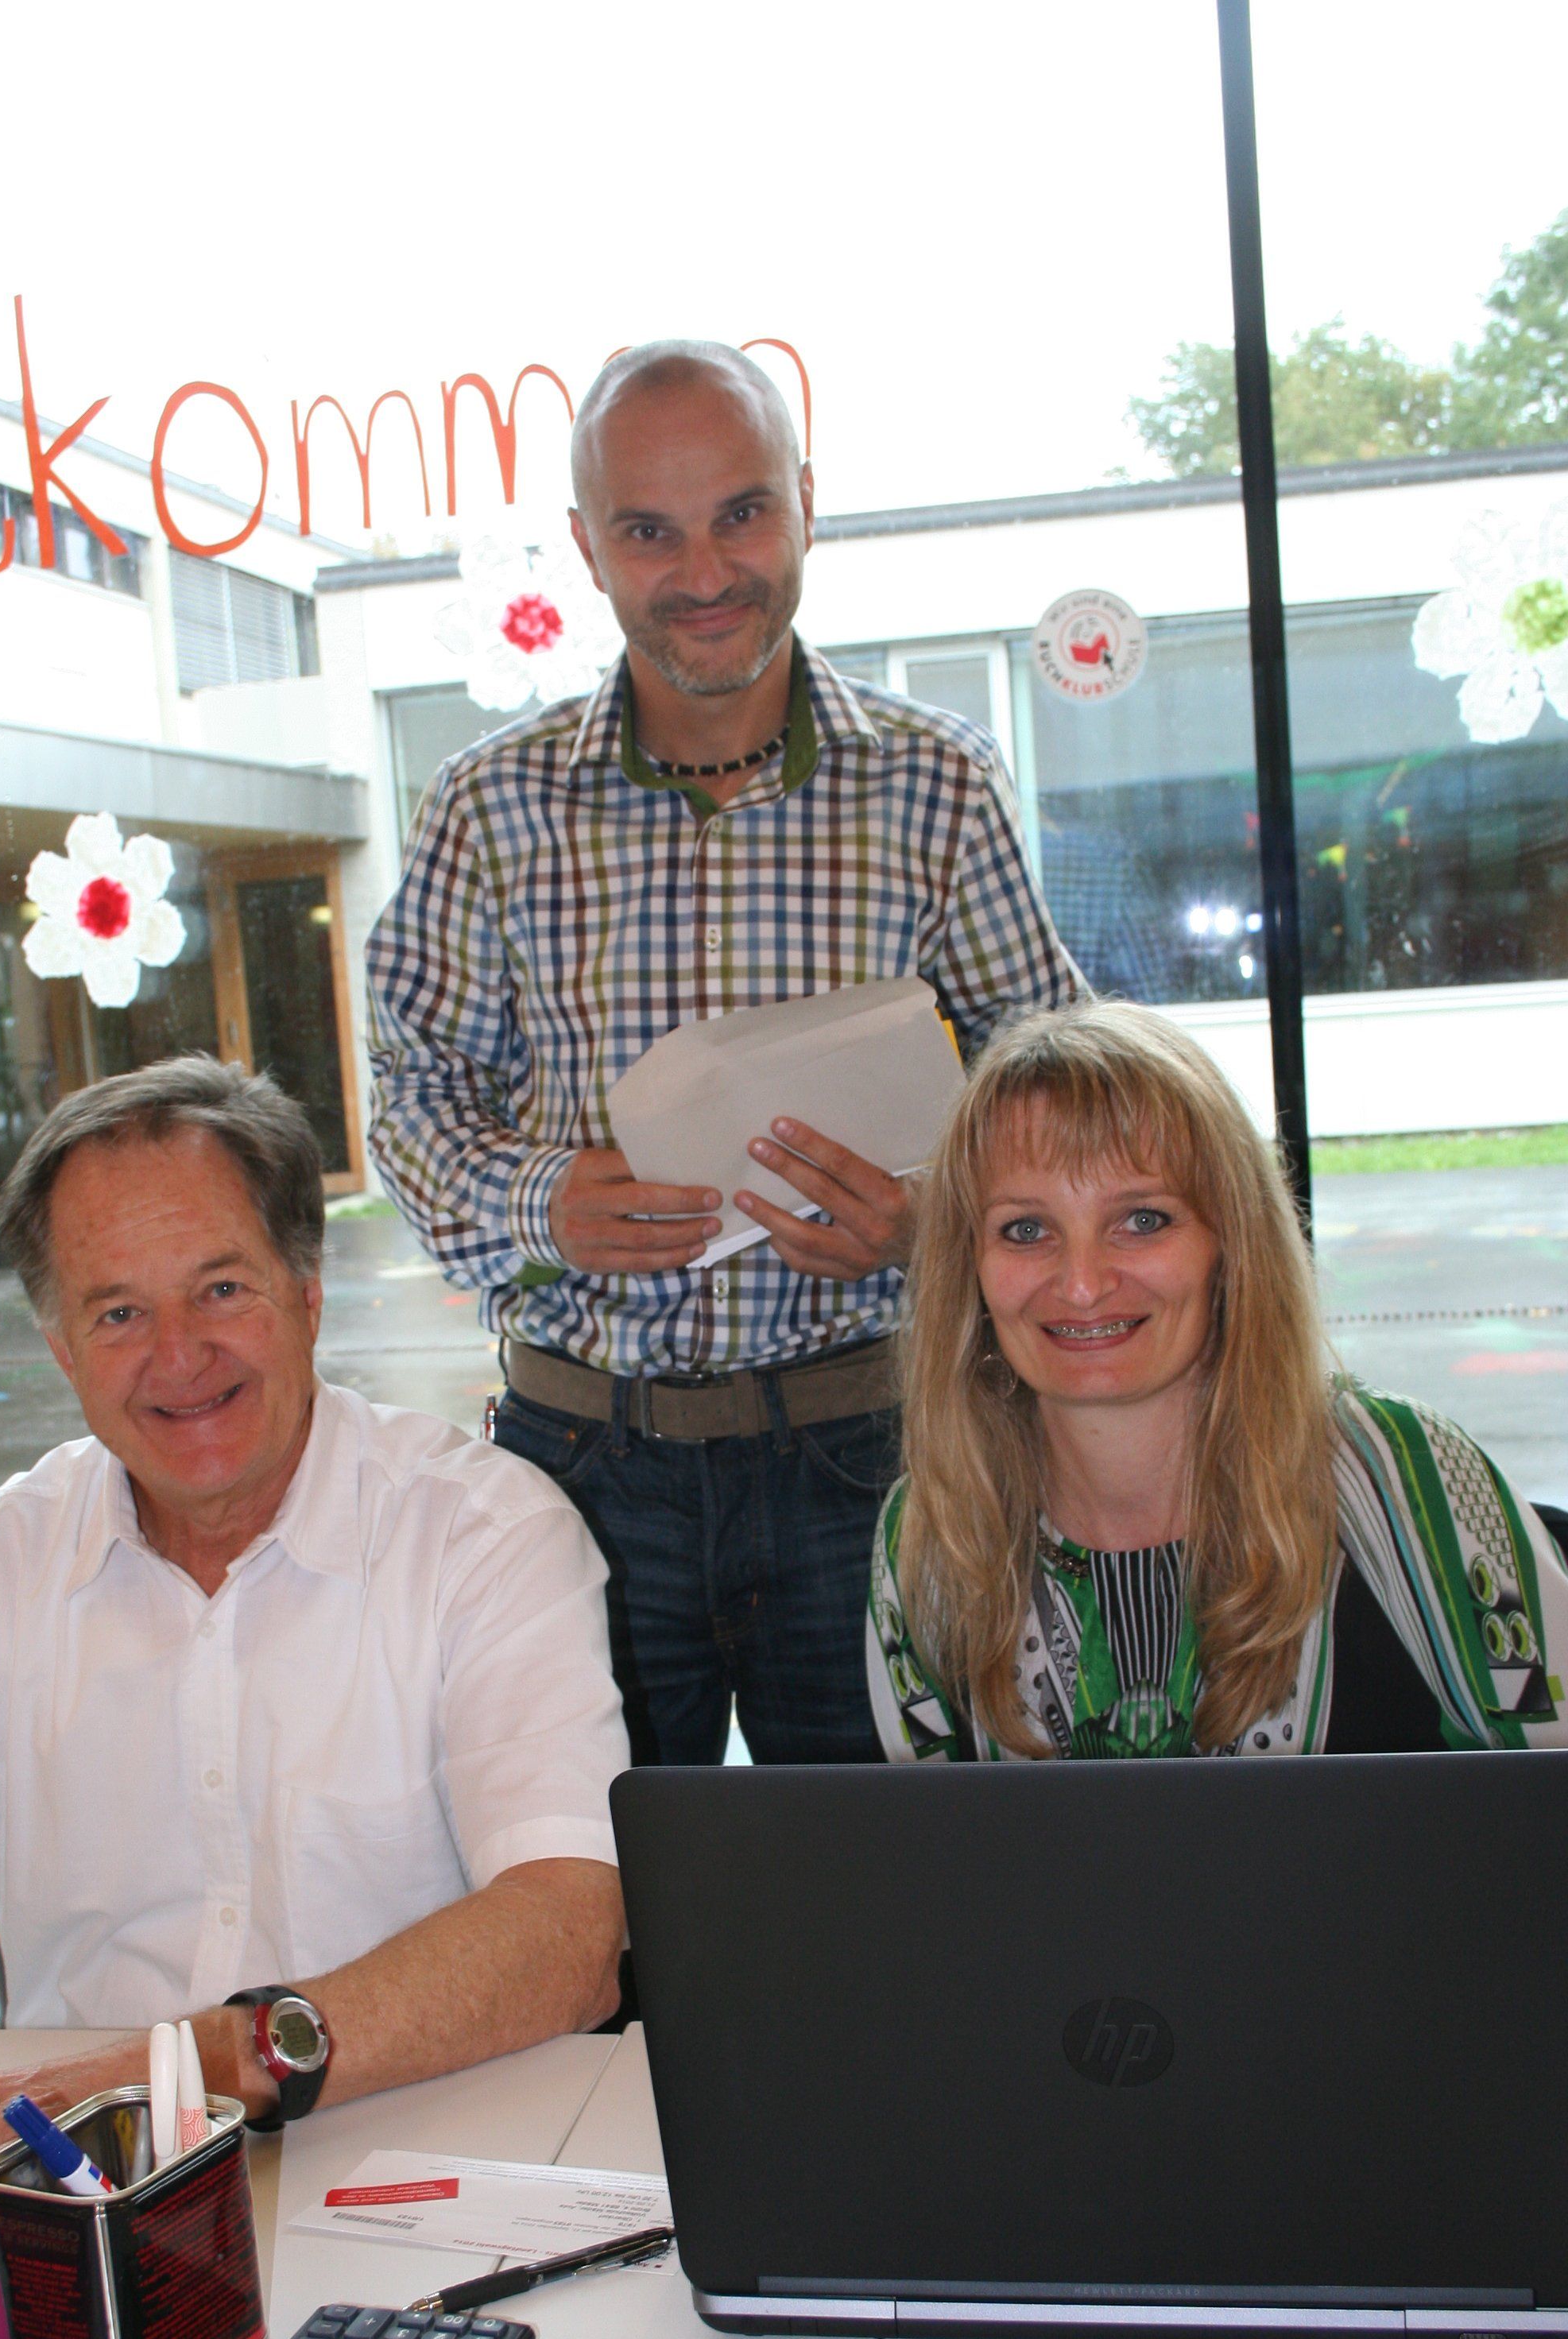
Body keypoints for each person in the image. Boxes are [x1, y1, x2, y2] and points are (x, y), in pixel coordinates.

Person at [0, 1057, 626, 2273]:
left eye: (220, 1288)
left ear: (307, 1294)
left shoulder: (485, 1533)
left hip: (434, 2203)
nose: (180, 1355)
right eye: (118, 1313)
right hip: (83, 2222)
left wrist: (185, 2067)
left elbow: (568, 1931)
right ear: (61, 1349)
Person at [368, 339, 1082, 1767]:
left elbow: (1055, 1093)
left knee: (881, 1877)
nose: (703, 572)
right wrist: (542, 1201)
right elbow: (411, 1096)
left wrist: (933, 1220)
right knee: (591, 1873)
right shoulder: (486, 806)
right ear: (588, 548)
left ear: (805, 503)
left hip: (873, 1450)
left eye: (740, 514)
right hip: (579, 1470)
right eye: (649, 531)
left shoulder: (937, 785)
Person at [869, 1001, 1568, 1763]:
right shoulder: (931, 1529)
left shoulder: (1406, 1475)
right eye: (1026, 1230)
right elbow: (934, 1836)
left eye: (1142, 1220)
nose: (1082, 1283)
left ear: (1231, 1242)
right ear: (969, 1266)